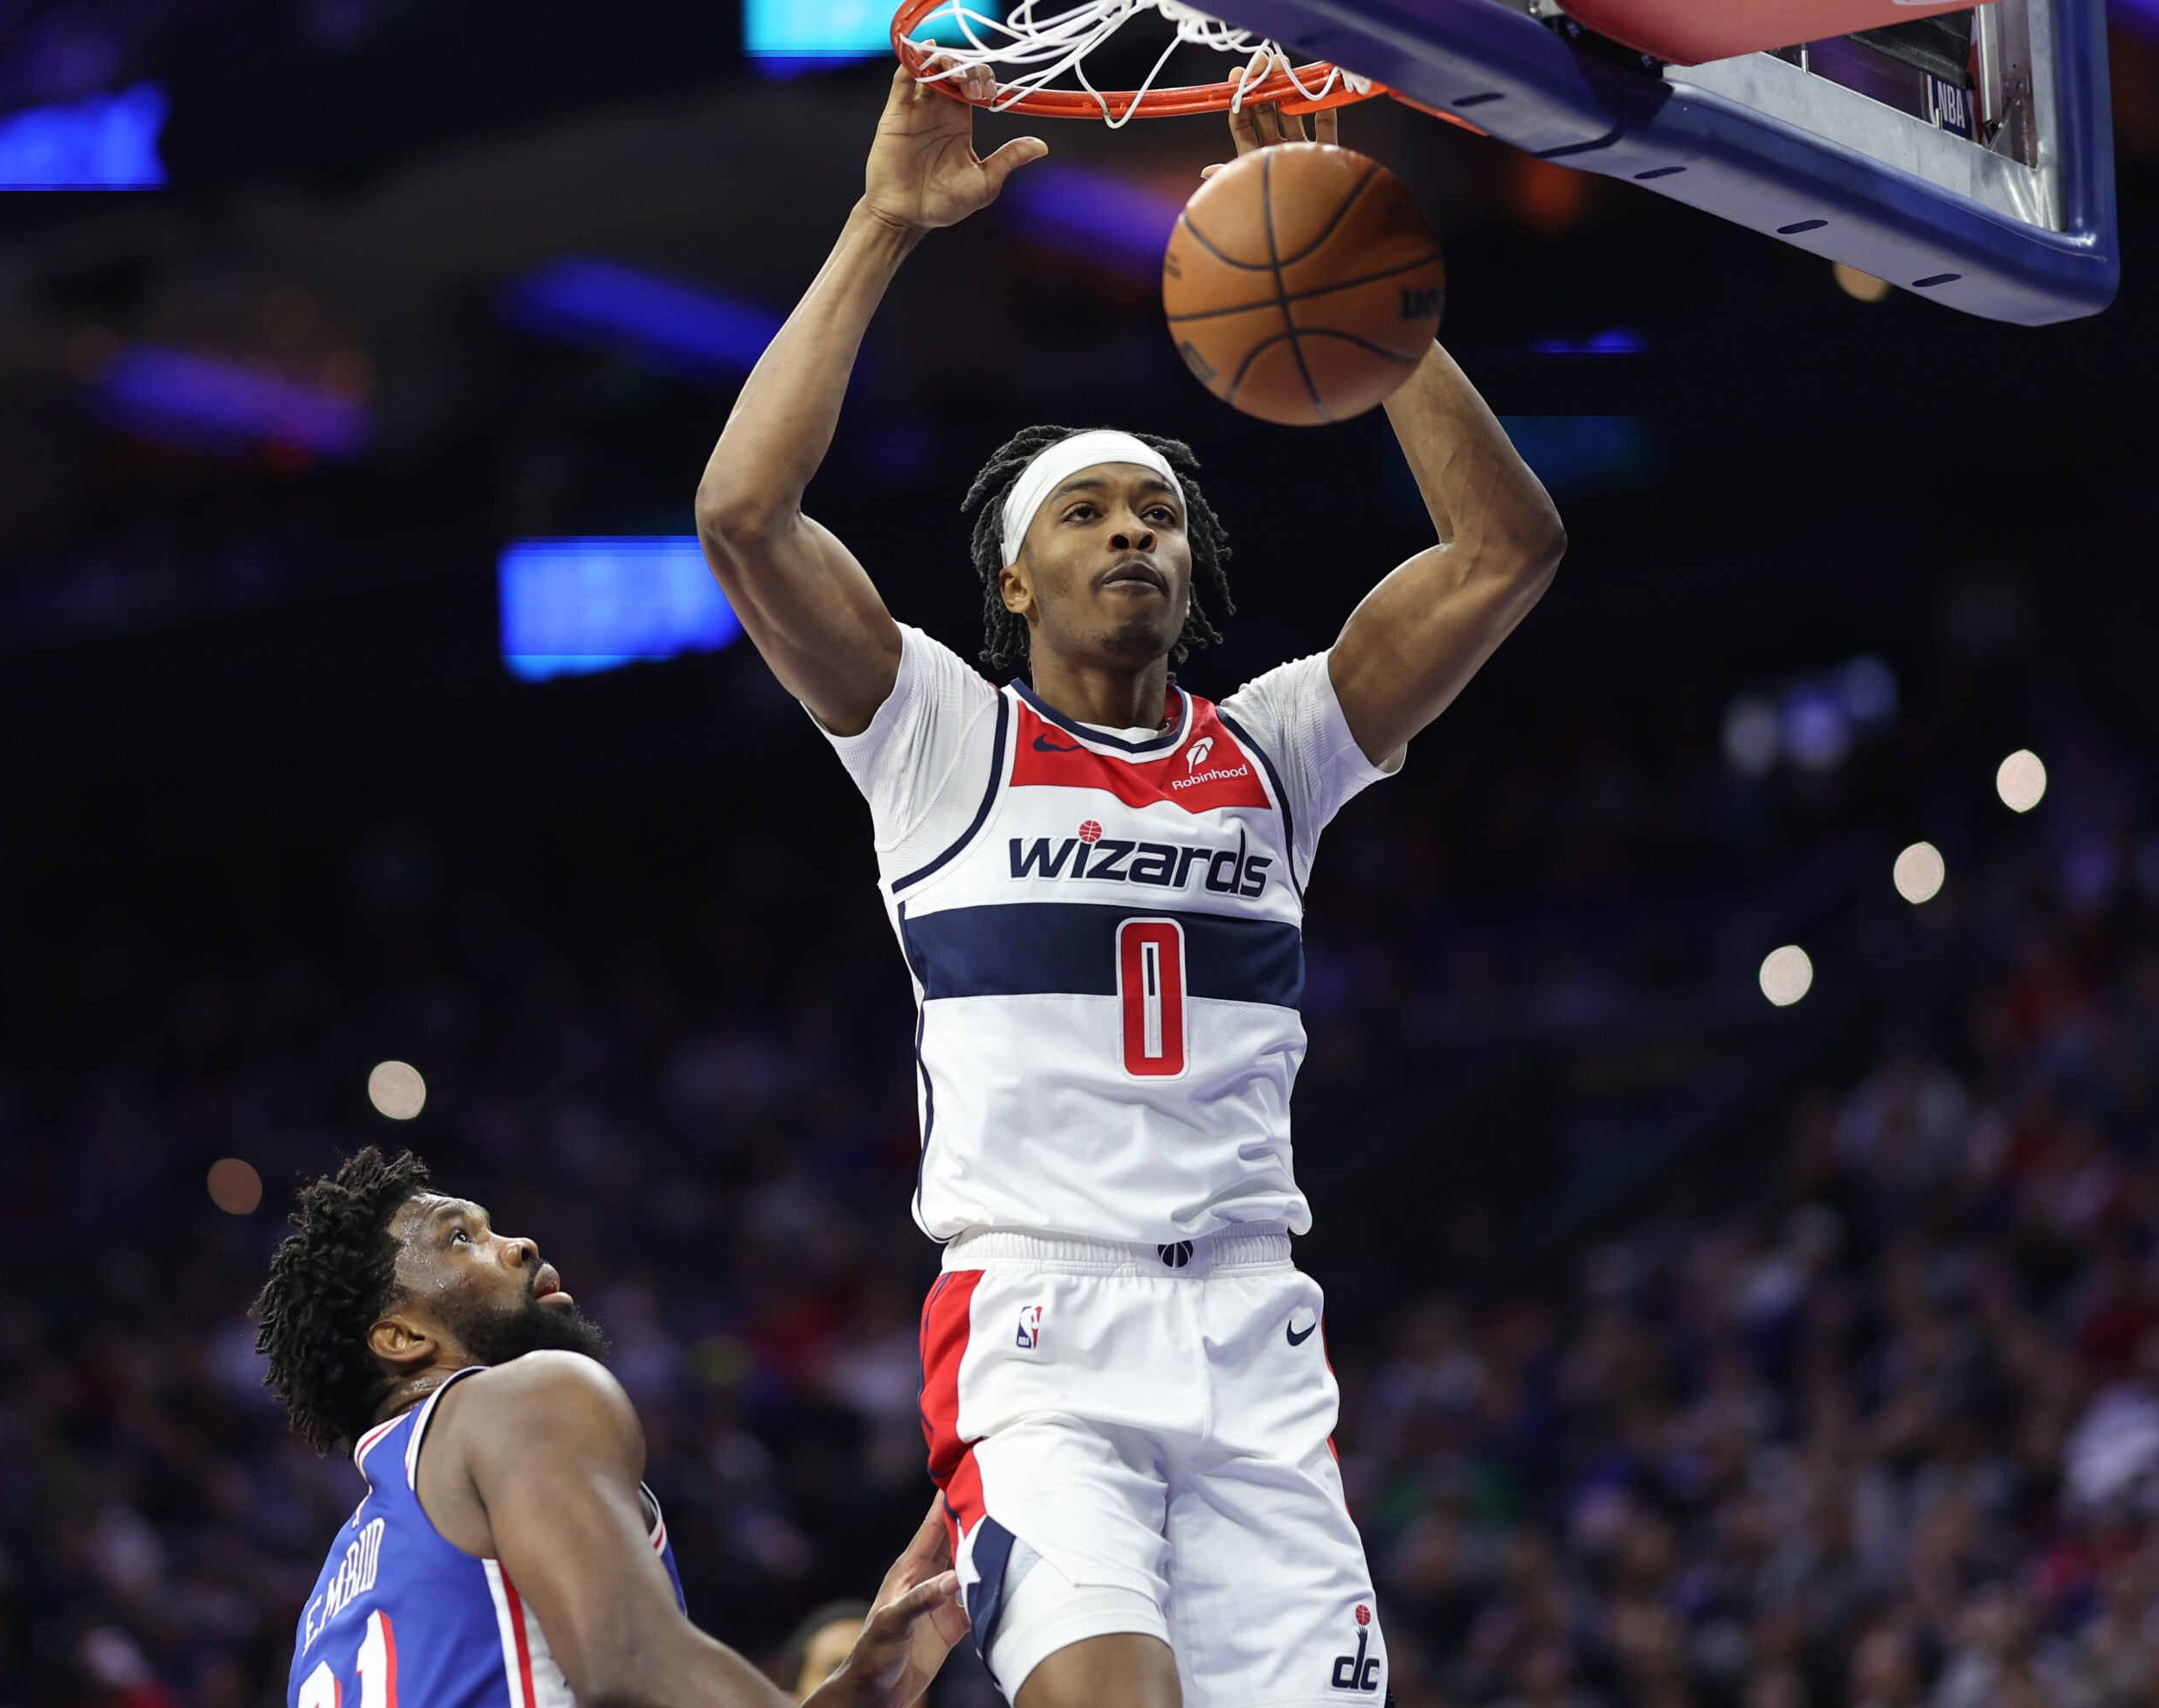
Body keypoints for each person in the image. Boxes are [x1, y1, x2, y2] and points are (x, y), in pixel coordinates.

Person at [695, 57, 1564, 1708]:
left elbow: (1509, 553)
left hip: (1253, 1326)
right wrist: (885, 222)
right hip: (1042, 1333)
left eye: (1159, 512)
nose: (1134, 536)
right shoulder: (943, 739)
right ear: (1015, 576)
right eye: (1088, 512)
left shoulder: (1278, 747)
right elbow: (743, 513)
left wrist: (1361, 299)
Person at [255, 1148, 968, 1708]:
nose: (520, 1244)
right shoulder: (522, 1396)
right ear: (402, 1338)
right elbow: (629, 1662)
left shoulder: (330, 1604)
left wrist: (845, 1696)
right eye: (461, 1239)